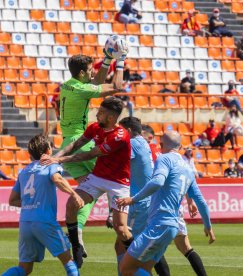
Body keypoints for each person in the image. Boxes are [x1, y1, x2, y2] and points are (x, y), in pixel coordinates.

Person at [40, 97, 133, 269]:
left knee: (121, 229)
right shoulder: (95, 127)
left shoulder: (120, 135)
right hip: (98, 177)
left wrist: (60, 160)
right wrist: (56, 157)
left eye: (101, 113)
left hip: (119, 183)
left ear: (111, 118)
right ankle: (76, 246)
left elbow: (91, 154)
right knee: (71, 205)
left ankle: (139, 256)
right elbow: (77, 144)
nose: (97, 114)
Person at [116, 131, 215, 275]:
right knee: (144, 268)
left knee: (126, 268)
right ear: (180, 146)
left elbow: (157, 181)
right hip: (172, 227)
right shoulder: (188, 169)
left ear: (161, 145)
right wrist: (208, 226)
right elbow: (201, 202)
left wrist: (133, 199)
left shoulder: (164, 159)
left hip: (158, 225)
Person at [59, 51, 127, 258]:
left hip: (66, 140)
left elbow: (95, 82)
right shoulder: (81, 89)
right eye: (89, 70)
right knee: (111, 176)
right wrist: (120, 61)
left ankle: (76, 235)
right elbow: (117, 87)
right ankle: (112, 215)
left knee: (87, 193)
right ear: (81, 73)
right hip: (81, 143)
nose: (93, 73)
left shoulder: (68, 85)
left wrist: (107, 59)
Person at [2, 134, 83, 276]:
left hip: (26, 223)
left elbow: (12, 200)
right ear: (48, 150)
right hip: (45, 221)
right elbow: (57, 179)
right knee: (69, 261)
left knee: (24, 269)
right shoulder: (51, 164)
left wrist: (31, 203)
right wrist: (74, 193)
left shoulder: (24, 171)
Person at [119, 117, 170, 276]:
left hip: (137, 203)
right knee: (134, 245)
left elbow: (117, 162)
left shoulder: (133, 143)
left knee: (131, 247)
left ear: (127, 130)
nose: (119, 134)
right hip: (146, 200)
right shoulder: (144, 144)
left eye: (120, 131)